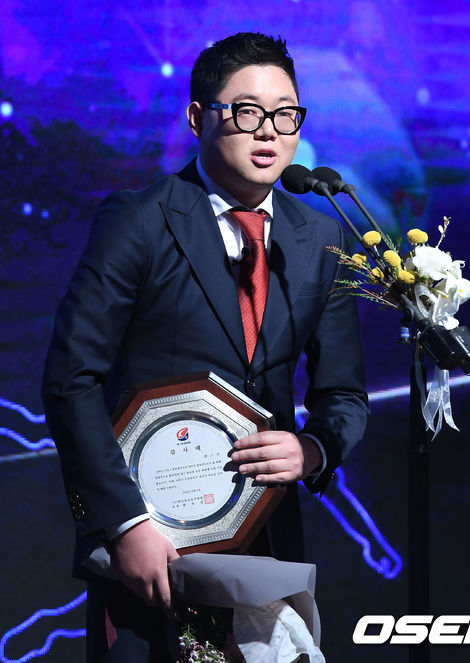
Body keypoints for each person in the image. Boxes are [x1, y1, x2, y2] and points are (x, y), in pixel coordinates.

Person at [42, 32, 369, 662]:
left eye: (286, 113)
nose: (268, 130)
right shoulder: (140, 221)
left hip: (266, 544)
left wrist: (313, 449)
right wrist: (124, 524)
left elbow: (344, 395)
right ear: (197, 118)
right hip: (153, 545)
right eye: (246, 111)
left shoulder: (321, 237)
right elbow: (70, 379)